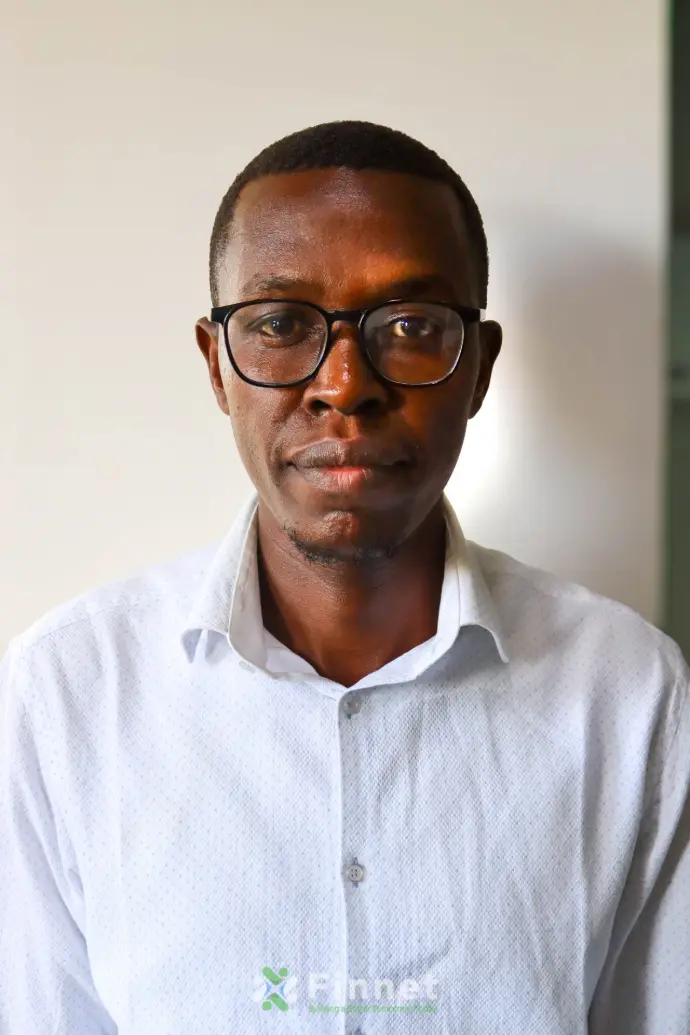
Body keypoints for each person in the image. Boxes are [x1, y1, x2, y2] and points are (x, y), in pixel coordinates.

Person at [1, 120, 688, 1035]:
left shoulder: (630, 694)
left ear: (480, 368)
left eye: (409, 326)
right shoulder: (67, 694)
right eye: (281, 325)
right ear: (217, 366)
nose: (344, 385)